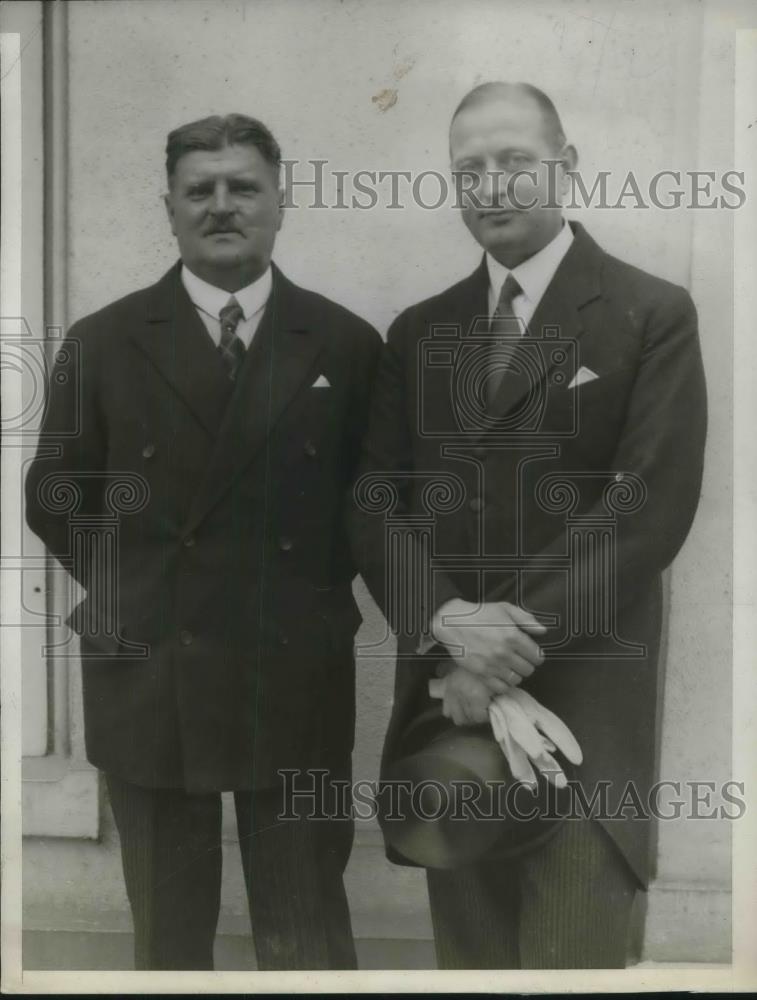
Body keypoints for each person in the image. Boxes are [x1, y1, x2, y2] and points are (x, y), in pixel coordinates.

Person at [350, 82, 707, 968]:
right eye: (467, 168)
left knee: (570, 968)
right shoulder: (418, 330)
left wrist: (495, 647)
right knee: (469, 969)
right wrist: (443, 626)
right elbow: (371, 500)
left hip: (585, 724)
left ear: (566, 168)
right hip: (450, 725)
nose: (491, 185)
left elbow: (645, 509)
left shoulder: (650, 314)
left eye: (514, 161)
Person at [25, 113, 381, 971]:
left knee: (306, 932)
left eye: (243, 187)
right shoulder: (103, 340)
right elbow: (53, 492)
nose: (222, 206)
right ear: (171, 208)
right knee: (168, 933)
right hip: (149, 667)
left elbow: (378, 502)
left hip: (291, 669)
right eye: (200, 190)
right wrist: (139, 585)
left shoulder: (346, 341)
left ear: (280, 201)